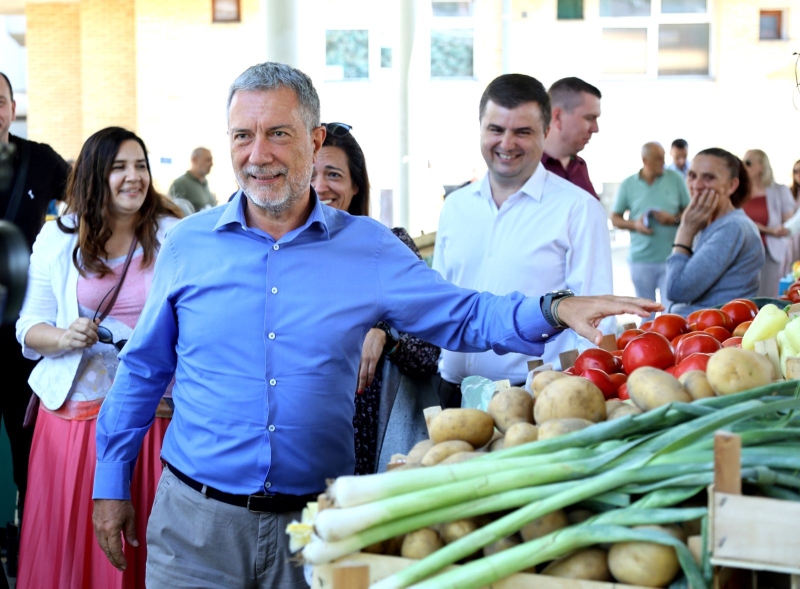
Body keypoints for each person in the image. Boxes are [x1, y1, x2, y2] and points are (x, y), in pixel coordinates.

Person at [89, 62, 658, 589]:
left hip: (320, 528)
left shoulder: (368, 250)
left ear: (314, 142)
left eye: (278, 134)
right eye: (243, 135)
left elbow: (461, 313)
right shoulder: (189, 244)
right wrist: (111, 482)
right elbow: (143, 370)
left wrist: (554, 308)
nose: (257, 154)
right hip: (195, 530)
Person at [15, 127, 182, 589]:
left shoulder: (176, 233)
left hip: (157, 419)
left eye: (141, 165)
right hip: (76, 425)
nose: (135, 178)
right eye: (119, 167)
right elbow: (28, 327)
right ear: (93, 176)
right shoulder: (58, 238)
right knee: (76, 556)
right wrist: (65, 337)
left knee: (152, 550)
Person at [433, 73, 614, 400]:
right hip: (450, 393)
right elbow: (441, 300)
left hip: (532, 397)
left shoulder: (579, 210)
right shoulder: (456, 207)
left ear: (546, 132)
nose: (506, 143)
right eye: (496, 129)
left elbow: (594, 324)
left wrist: (547, 385)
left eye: (522, 132)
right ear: (481, 129)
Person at [310, 122, 440, 474]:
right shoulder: (281, 257)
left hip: (377, 444)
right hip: (301, 448)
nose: (320, 186)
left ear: (355, 185)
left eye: (333, 174)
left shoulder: (389, 247)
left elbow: (431, 353)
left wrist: (385, 334)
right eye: (309, 175)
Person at [0, 71, 70, 543]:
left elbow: (88, 202)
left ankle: (31, 542)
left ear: (11, 106)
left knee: (26, 440)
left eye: (0, 100)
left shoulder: (39, 160)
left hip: (24, 330)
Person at [666, 148, 764, 315]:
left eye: (709, 177)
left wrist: (684, 232)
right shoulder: (710, 223)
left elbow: (677, 290)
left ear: (732, 185)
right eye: (692, 175)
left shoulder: (732, 227)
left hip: (711, 334)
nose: (696, 185)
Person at [611, 142, 690, 318]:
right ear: (645, 160)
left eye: (663, 157)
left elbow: (690, 212)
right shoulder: (628, 184)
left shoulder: (676, 179)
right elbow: (614, 218)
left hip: (672, 259)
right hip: (641, 260)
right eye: (658, 158)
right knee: (646, 315)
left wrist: (674, 219)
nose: (664, 161)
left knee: (672, 314)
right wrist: (635, 225)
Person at [741, 149, 794, 298]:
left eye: (748, 162)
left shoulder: (779, 190)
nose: (743, 166)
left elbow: (788, 225)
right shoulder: (739, 192)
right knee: (743, 298)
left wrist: (766, 229)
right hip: (743, 251)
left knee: (766, 296)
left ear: (761, 166)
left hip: (770, 252)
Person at [541, 77, 601, 199]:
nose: (595, 128)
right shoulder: (527, 169)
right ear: (558, 117)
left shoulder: (579, 166)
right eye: (589, 118)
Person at [168, 147, 216, 213]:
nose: (211, 164)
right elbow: (177, 213)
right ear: (194, 160)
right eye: (208, 160)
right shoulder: (180, 183)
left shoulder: (205, 183)